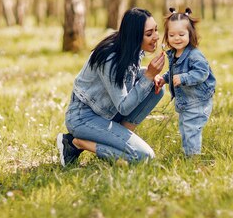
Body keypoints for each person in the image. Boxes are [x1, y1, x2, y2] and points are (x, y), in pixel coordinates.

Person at [57, 8, 166, 166]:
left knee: (156, 90)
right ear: (134, 36)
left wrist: (147, 75)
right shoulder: (110, 58)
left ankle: (116, 140)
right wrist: (148, 76)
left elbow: (127, 75)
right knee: (145, 157)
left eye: (155, 30)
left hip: (107, 114)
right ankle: (76, 143)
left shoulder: (130, 48)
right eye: (149, 34)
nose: (156, 36)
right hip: (83, 118)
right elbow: (124, 107)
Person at [154, 8, 216, 156]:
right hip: (186, 102)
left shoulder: (194, 55)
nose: (177, 38)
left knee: (191, 129)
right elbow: (174, 72)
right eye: (172, 35)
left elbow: (202, 73)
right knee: (185, 128)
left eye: (182, 34)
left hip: (198, 102)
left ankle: (192, 158)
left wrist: (184, 78)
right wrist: (164, 78)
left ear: (190, 34)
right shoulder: (174, 54)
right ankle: (188, 152)